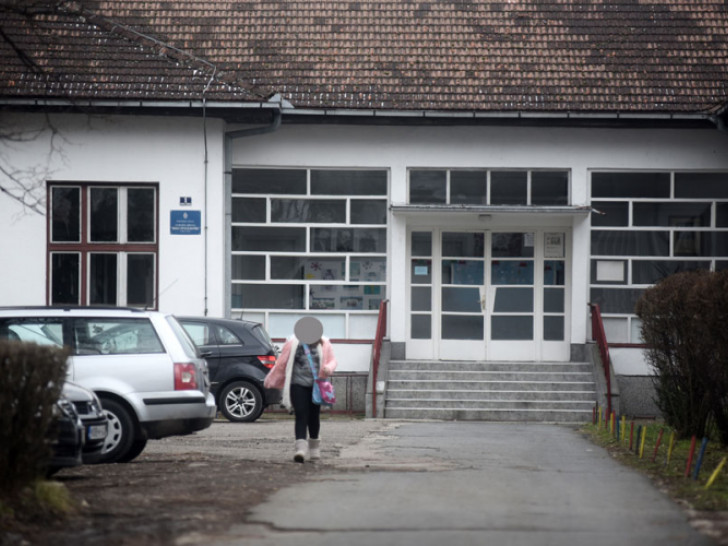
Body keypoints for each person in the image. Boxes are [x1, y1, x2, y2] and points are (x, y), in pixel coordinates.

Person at [264, 317, 337, 463]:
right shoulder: (292, 343)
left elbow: (332, 360)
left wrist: (328, 368)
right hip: (297, 385)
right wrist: (271, 380)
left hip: (316, 386)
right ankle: (301, 450)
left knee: (314, 417)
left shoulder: (325, 343)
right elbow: (281, 363)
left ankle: (314, 449)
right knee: (301, 414)